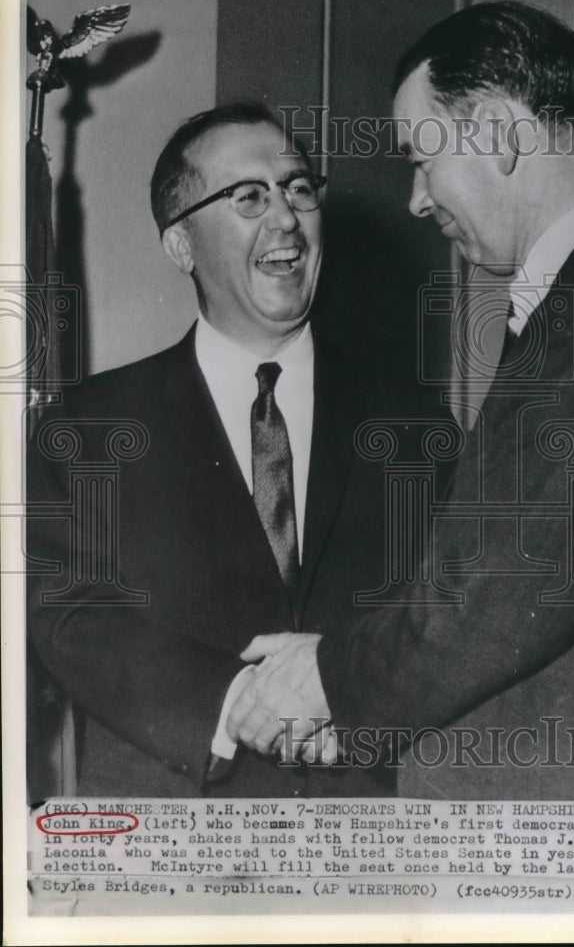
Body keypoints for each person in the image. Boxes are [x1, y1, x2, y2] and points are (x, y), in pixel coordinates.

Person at [227, 1, 574, 801]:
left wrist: (327, 675)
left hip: (573, 827)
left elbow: (508, 592)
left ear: (501, 134)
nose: (415, 197)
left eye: (422, 158)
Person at [26, 102, 393, 798]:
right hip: (178, 834)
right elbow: (68, 615)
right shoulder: (88, 428)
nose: (286, 219)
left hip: (371, 836)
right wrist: (233, 704)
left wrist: (344, 680)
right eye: (249, 196)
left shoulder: (412, 419)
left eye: (300, 189)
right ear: (181, 245)